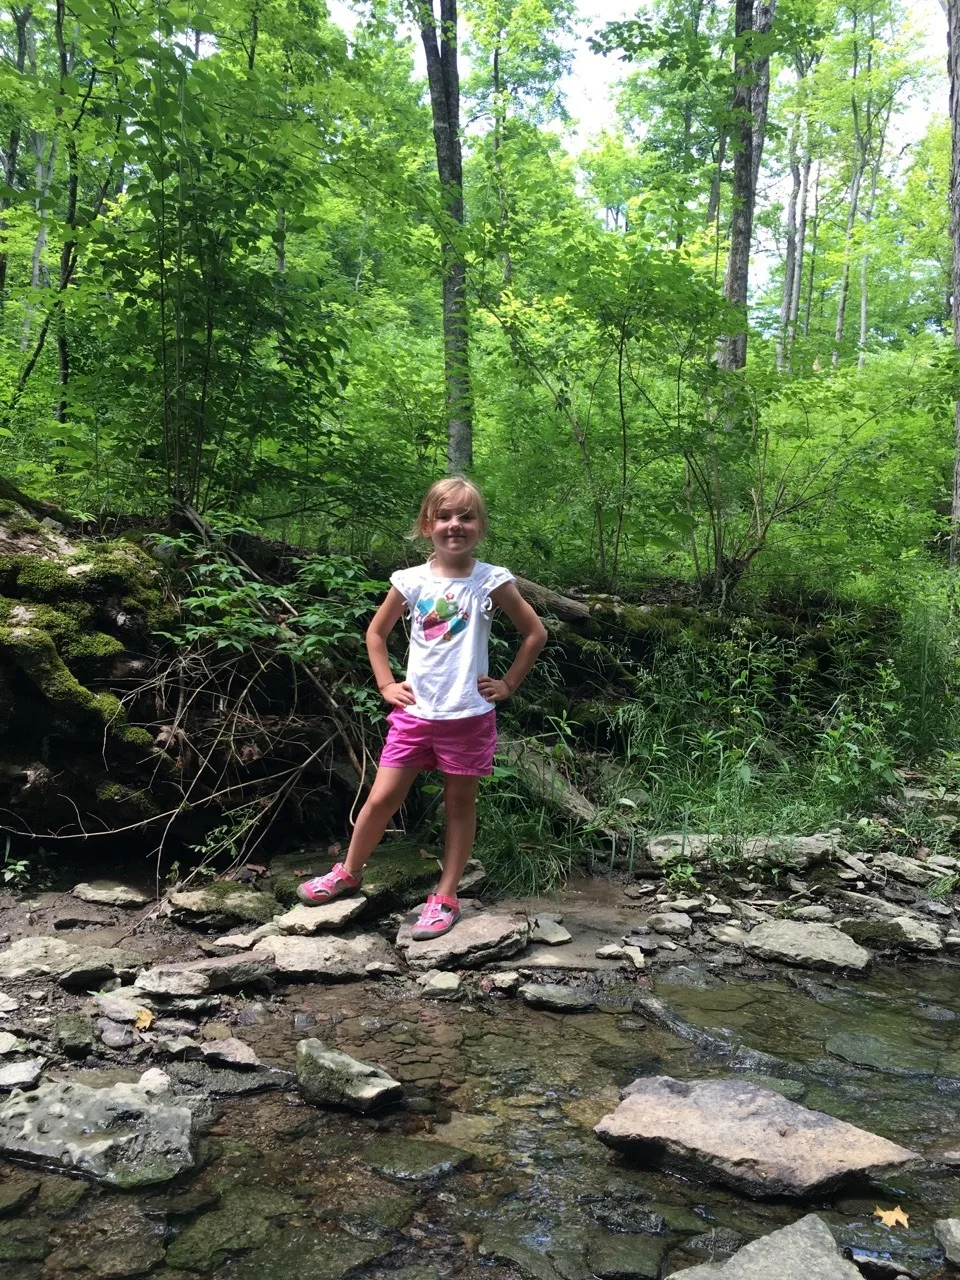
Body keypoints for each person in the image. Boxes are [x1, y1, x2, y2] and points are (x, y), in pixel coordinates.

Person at [297, 477, 548, 939]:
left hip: (468, 715)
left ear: (480, 526)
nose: (456, 525)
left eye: (467, 516)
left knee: (459, 805)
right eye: (446, 516)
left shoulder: (490, 580)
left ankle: (446, 895)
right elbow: (376, 634)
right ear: (427, 524)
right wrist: (386, 683)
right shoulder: (411, 581)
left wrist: (509, 682)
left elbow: (535, 634)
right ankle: (349, 872)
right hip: (415, 713)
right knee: (381, 797)